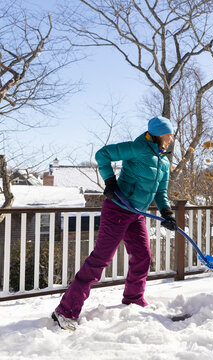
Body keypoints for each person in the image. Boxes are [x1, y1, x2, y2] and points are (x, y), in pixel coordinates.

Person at [52, 116, 177, 331]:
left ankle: (134, 299)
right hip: (118, 208)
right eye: (169, 133)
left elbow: (160, 192)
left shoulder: (164, 161)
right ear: (159, 134)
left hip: (136, 213)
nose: (172, 138)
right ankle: (65, 310)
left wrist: (166, 211)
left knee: (143, 256)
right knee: (100, 260)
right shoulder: (137, 148)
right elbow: (103, 155)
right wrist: (110, 181)